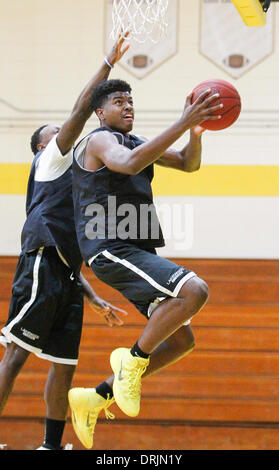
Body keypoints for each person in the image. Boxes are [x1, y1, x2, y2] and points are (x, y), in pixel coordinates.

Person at [68, 78, 224, 449]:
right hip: (109, 247)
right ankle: (132, 361)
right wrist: (183, 122)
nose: (128, 106)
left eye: (131, 101)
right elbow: (128, 164)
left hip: (136, 251)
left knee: (180, 340)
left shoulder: (136, 141)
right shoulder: (100, 140)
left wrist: (197, 132)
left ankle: (96, 397)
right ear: (100, 112)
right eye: (119, 101)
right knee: (194, 289)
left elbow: (189, 164)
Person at [0, 37, 129, 451]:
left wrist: (91, 296)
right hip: (39, 265)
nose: (64, 130)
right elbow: (78, 112)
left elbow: (69, 254)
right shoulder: (50, 160)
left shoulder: (76, 181)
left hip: (67, 276)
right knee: (16, 357)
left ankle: (50, 446)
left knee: (64, 367)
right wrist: (107, 63)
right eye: (54, 131)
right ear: (42, 146)